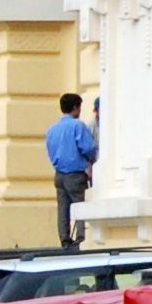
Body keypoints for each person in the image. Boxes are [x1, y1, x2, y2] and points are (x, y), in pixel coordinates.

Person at [44, 92, 97, 250]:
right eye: (79, 107)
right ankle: (81, 238)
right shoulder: (77, 126)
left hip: (59, 173)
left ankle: (64, 239)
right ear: (75, 107)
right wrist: (92, 159)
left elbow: (50, 149)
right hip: (75, 173)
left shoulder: (52, 129)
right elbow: (88, 147)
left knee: (63, 208)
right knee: (81, 206)